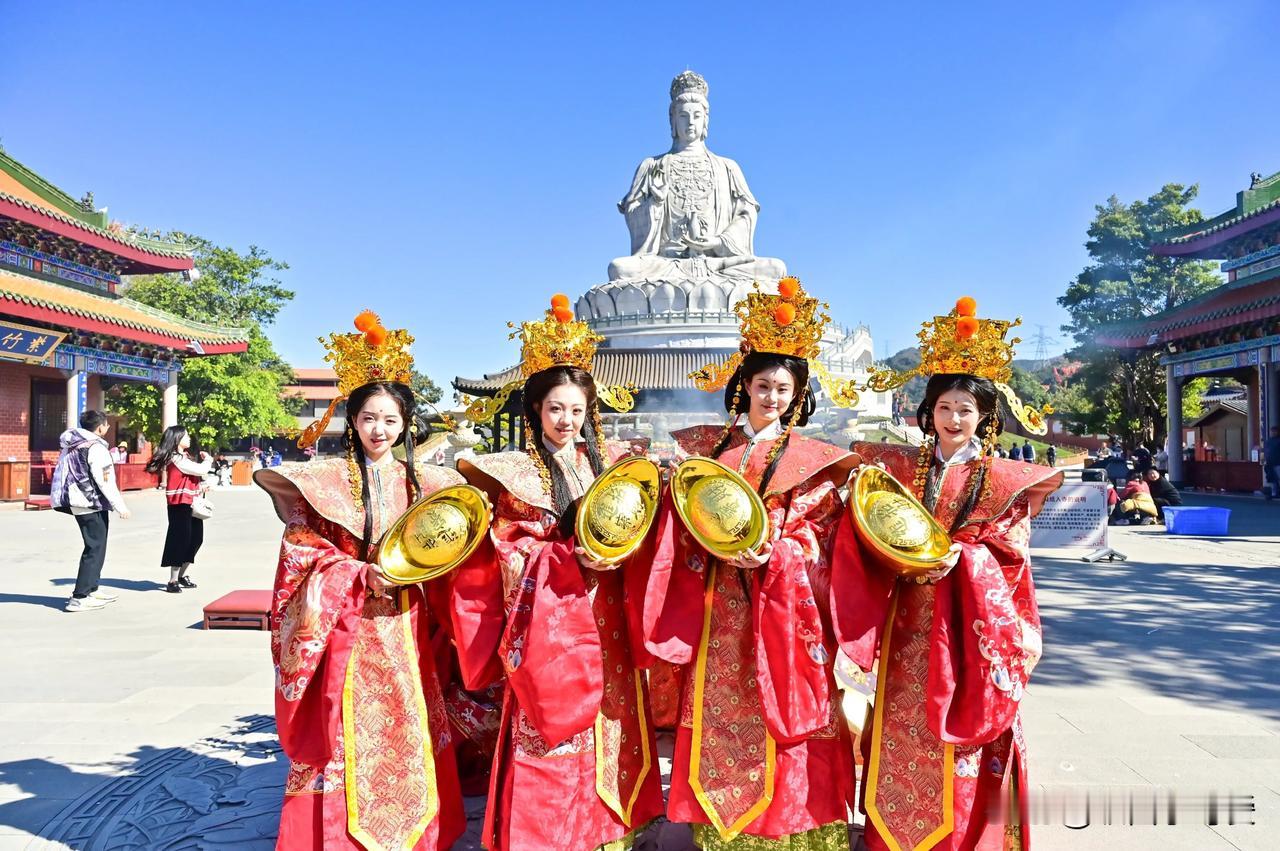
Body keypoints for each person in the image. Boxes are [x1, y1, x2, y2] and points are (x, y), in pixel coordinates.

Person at [830, 297, 1063, 849]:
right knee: (900, 723)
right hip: (905, 623)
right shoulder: (900, 471)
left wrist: (966, 559)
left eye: (964, 409)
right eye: (943, 407)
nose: (953, 420)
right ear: (927, 412)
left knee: (963, 738)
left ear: (984, 416)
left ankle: (963, 837)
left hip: (965, 628)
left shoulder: (1004, 479)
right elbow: (867, 529)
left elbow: (1011, 553)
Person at [638, 278, 861, 848]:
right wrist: (705, 545)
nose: (773, 398)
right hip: (718, 612)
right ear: (744, 386)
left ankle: (793, 828)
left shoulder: (815, 462)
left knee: (788, 713)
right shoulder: (706, 451)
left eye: (784, 389)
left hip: (785, 614)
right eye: (763, 385)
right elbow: (676, 527)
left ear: (799, 394)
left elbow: (823, 536)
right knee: (722, 711)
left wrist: (780, 553)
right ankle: (722, 829)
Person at [449, 294, 662, 851]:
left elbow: (641, 531)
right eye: (554, 409)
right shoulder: (513, 473)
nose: (566, 421)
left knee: (612, 720)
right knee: (549, 728)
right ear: (535, 411)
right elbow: (505, 550)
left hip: (606, 616)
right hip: (550, 623)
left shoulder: (610, 467)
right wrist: (567, 558)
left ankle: (608, 832)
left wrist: (622, 554)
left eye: (575, 410)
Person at [253, 311, 467, 849]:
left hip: (408, 627)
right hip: (346, 629)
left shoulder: (428, 483)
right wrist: (352, 573)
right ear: (352, 420)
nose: (379, 430)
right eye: (369, 418)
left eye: (391, 421)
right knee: (345, 728)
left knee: (409, 721)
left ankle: (414, 831)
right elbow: (300, 551)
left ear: (405, 424)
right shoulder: (322, 484)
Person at [51, 409, 131, 612]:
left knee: (98, 545)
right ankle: (79, 596)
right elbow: (105, 480)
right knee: (94, 547)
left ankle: (93, 588)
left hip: (78, 499)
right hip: (88, 501)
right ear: (100, 427)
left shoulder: (72, 445)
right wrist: (120, 505)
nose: (108, 427)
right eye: (106, 424)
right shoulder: (95, 447)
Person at [145, 426, 212, 593]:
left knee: (196, 539)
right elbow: (201, 469)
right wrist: (208, 460)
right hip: (179, 504)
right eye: (186, 436)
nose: (189, 438)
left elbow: (195, 475)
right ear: (177, 439)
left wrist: (201, 485)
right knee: (180, 539)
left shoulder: (184, 457)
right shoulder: (175, 458)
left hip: (192, 501)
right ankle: (173, 580)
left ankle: (181, 575)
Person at [1264, 426, 1280, 500]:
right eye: (1272, 431)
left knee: (1278, 478)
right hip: (1270, 463)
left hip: (1278, 462)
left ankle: (1276, 493)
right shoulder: (1268, 441)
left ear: (1277, 432)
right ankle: (1275, 493)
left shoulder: (1278, 440)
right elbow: (1266, 451)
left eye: (1274, 431)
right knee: (1273, 479)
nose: (1273, 433)